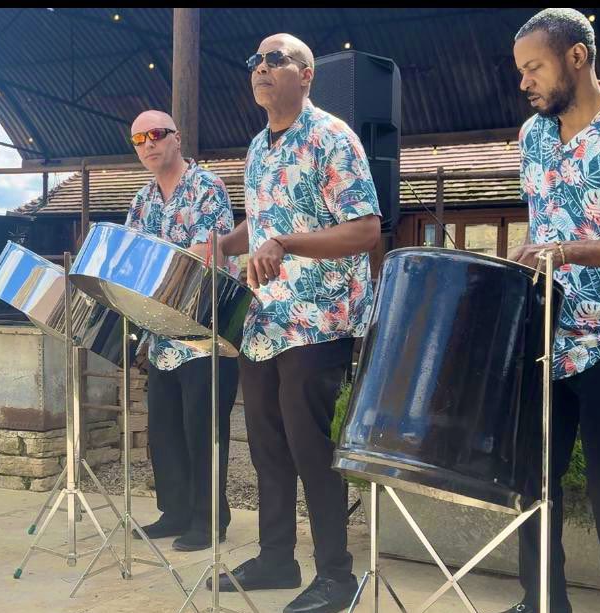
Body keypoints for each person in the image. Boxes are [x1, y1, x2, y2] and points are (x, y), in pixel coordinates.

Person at [198, 32, 381, 613]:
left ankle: (336, 576)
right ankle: (276, 558)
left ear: (305, 74)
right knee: (267, 446)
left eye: (275, 59)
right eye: (255, 60)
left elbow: (366, 229)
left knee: (310, 446)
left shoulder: (332, 137)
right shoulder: (257, 149)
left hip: (320, 317)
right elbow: (262, 221)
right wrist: (224, 244)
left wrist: (285, 241)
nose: (261, 67)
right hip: (265, 319)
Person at [503, 9, 600, 613]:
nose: (524, 82)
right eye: (520, 72)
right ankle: (543, 602)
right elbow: (541, 225)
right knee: (532, 478)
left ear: (576, 58)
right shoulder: (531, 137)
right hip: (545, 330)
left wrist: (566, 251)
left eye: (533, 67)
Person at [125, 110, 240, 552]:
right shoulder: (141, 200)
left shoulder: (205, 186)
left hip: (203, 331)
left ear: (177, 138)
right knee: (165, 429)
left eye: (156, 134)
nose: (148, 144)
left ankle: (210, 521)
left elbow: (206, 255)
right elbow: (135, 260)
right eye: (139, 139)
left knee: (203, 429)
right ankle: (174, 513)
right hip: (161, 335)